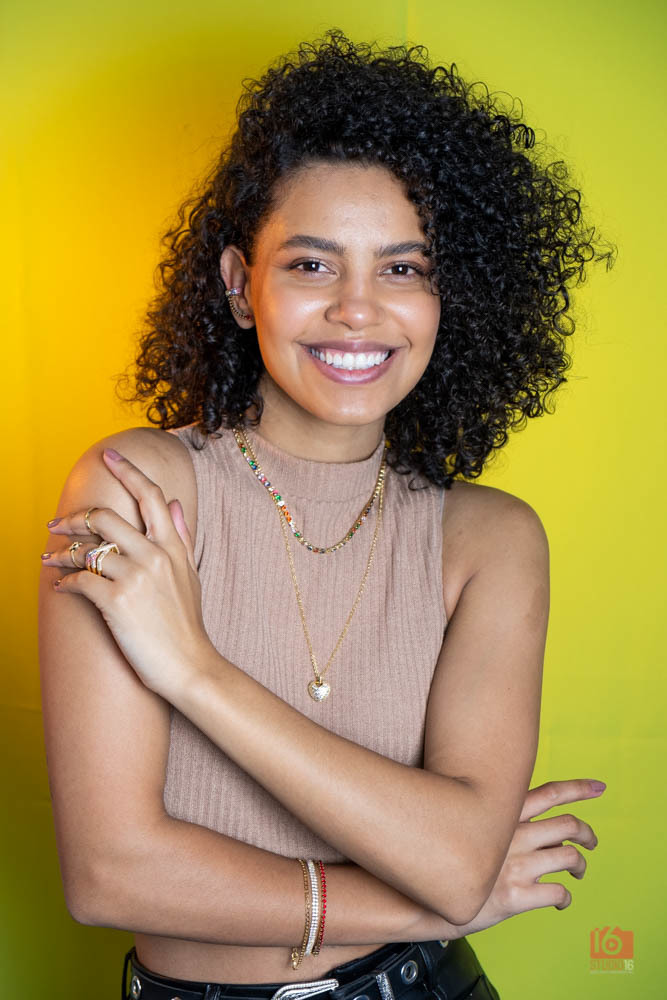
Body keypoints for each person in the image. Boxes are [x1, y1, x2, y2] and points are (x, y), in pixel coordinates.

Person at [38, 29, 614, 1000]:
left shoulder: (490, 539)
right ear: (240, 286)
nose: (357, 309)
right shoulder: (136, 488)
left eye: (402, 269)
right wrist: (431, 902)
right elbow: (111, 874)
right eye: (311, 265)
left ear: (449, 296)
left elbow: (458, 858)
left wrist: (194, 671)